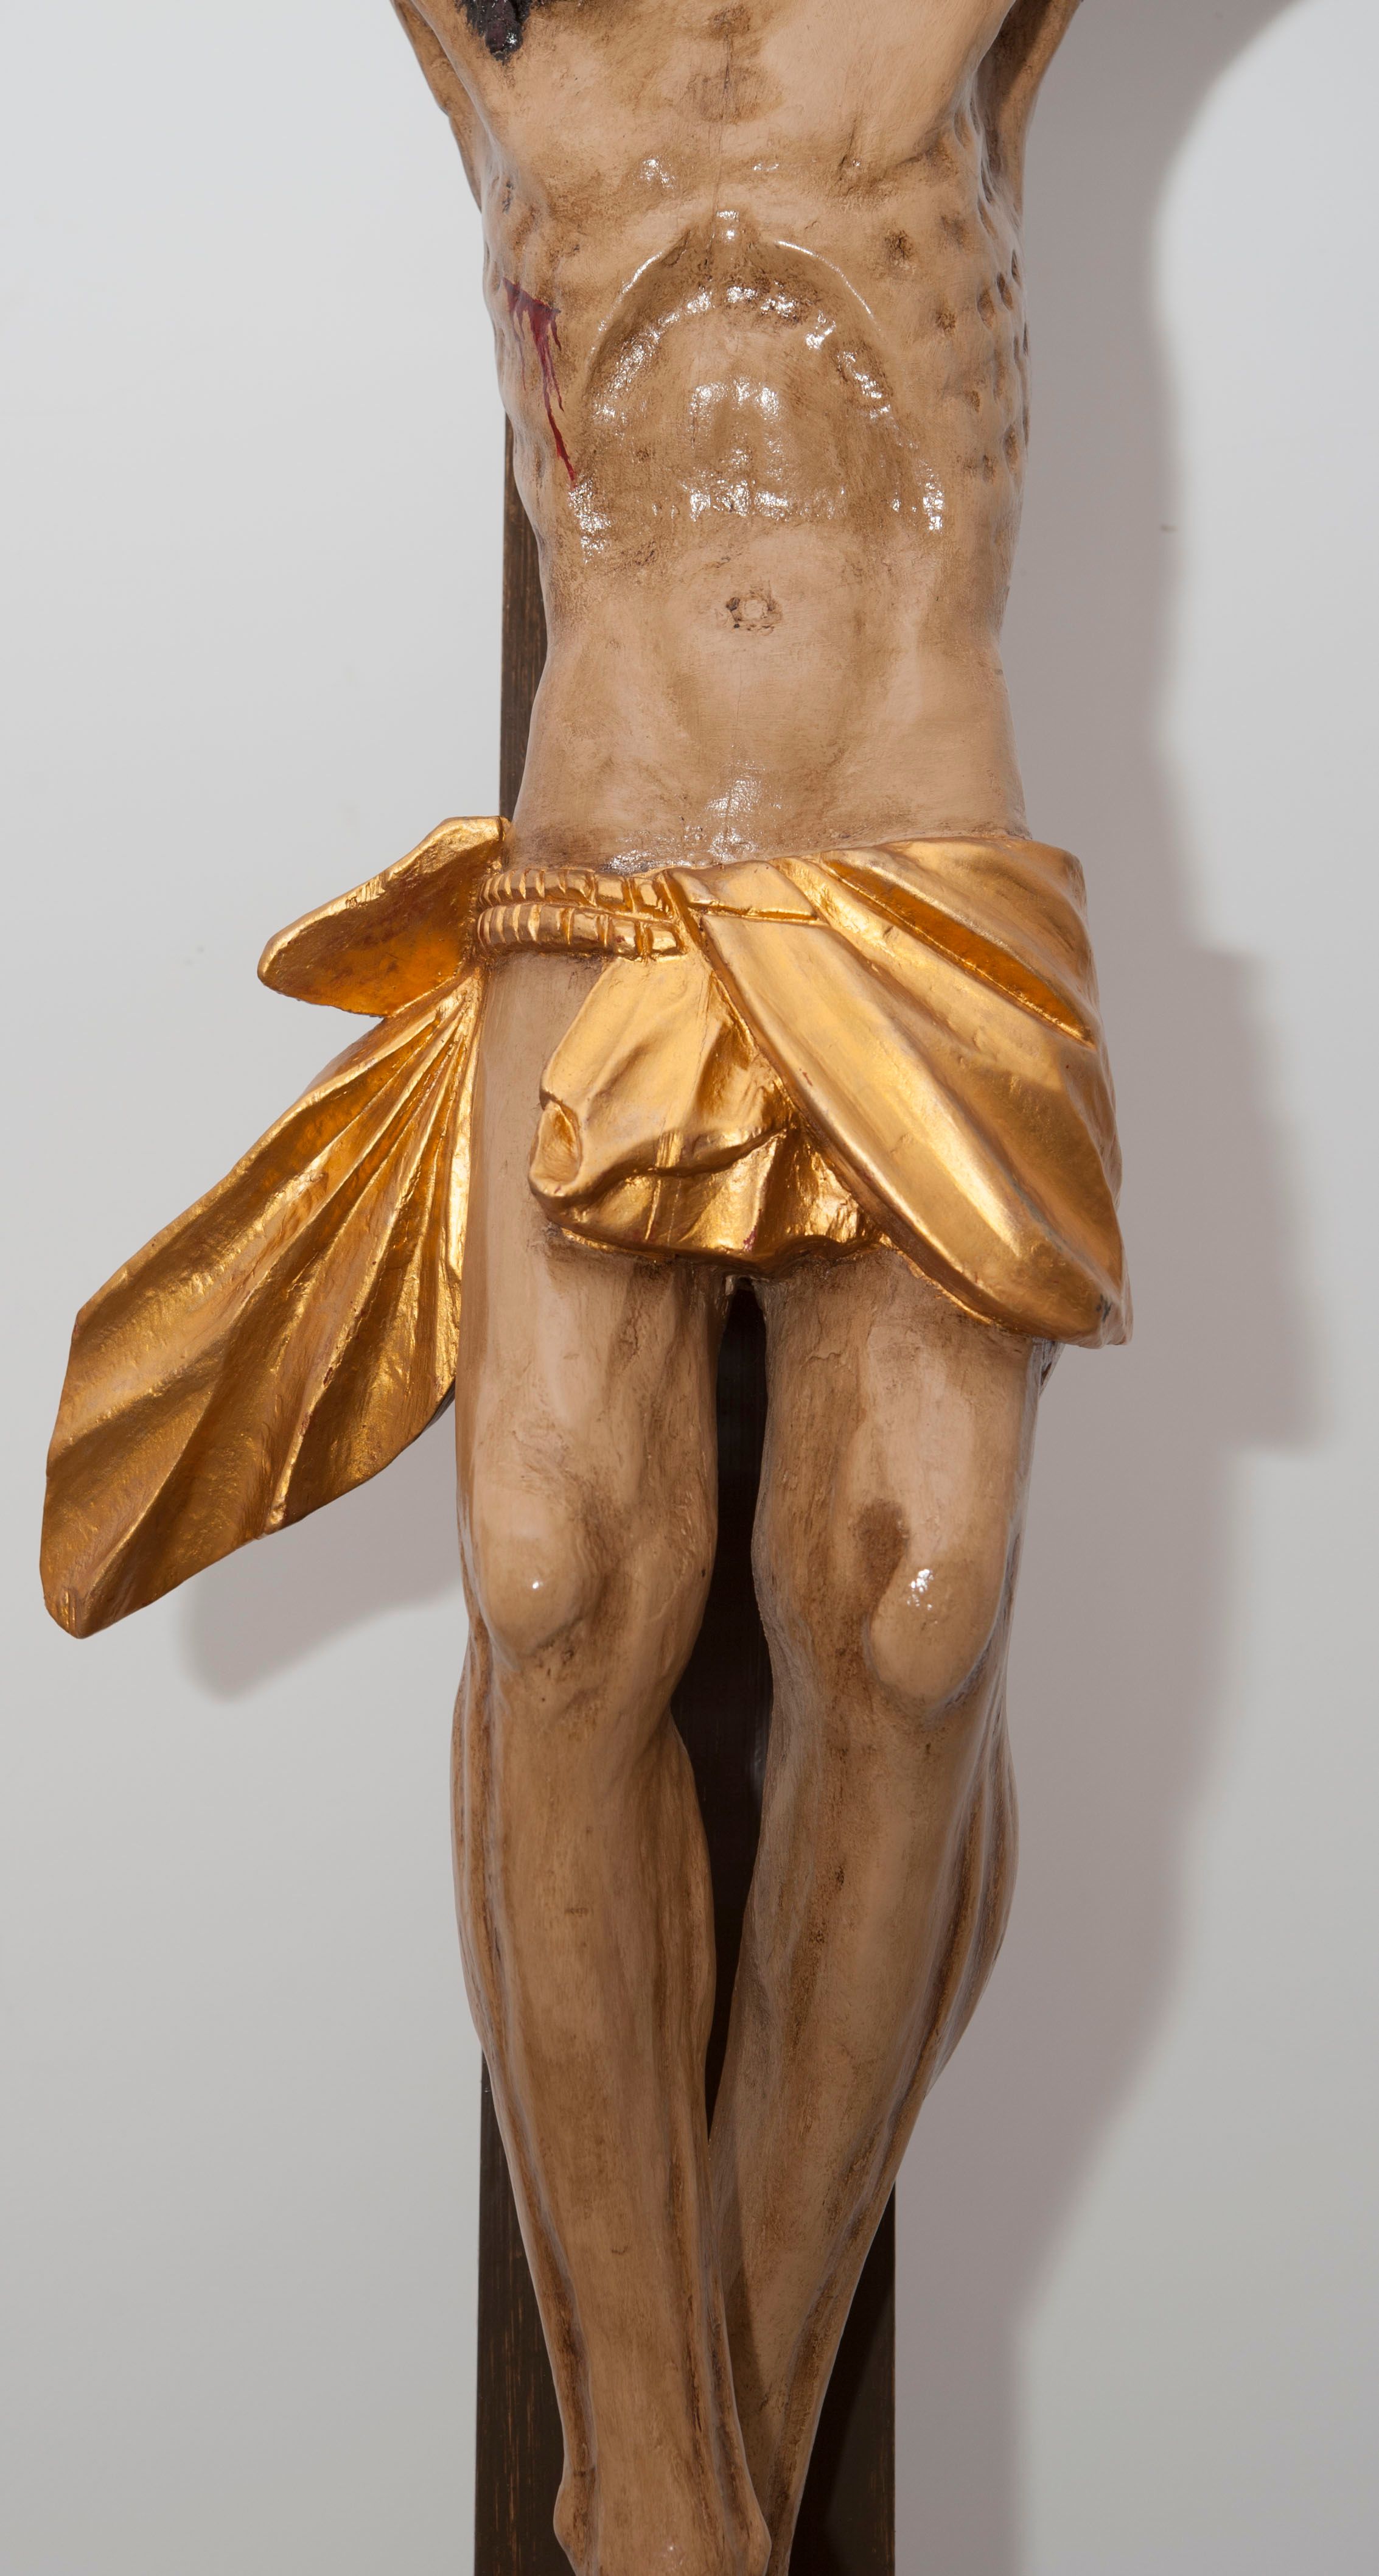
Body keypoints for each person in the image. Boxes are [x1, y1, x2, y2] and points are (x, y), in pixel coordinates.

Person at [43, 6, 1126, 2570]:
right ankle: (645, 2458)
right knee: (546, 1585)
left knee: (919, 1618)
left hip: (917, 851)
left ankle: (729, 2408)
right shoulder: (503, 35)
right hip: (605, 845)